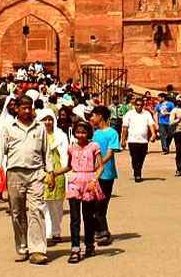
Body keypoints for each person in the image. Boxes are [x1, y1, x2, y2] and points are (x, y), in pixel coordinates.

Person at [0, 97, 49, 265]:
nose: (27, 111)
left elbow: (46, 151)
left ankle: (37, 250)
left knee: (36, 210)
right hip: (15, 173)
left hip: (36, 173)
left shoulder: (40, 127)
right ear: (16, 109)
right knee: (17, 212)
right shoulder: (8, 127)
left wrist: (51, 172)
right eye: (24, 108)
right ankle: (23, 247)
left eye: (29, 108)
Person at [52, 120, 102, 263]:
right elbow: (69, 166)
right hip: (74, 182)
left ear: (88, 133)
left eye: (83, 132)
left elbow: (100, 167)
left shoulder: (94, 146)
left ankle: (89, 245)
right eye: (78, 132)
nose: (80, 135)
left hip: (89, 182)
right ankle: (75, 248)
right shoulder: (71, 148)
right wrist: (54, 173)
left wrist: (94, 180)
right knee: (74, 218)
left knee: (88, 216)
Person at [89, 106, 121, 246]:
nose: (91, 118)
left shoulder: (112, 133)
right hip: (93, 174)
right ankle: (99, 231)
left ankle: (104, 233)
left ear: (100, 116)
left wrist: (99, 164)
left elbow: (110, 153)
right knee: (93, 205)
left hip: (107, 174)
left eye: (93, 115)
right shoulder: (95, 133)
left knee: (101, 205)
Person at [39, 109, 69, 245]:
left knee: (57, 205)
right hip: (42, 171)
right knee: (44, 204)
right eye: (44, 119)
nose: (47, 122)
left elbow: (65, 155)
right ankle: (48, 233)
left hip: (58, 171)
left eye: (50, 119)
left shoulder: (60, 135)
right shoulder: (36, 135)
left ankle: (56, 231)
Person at [120, 97, 156, 182]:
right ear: (134, 105)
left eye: (141, 105)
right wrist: (123, 140)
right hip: (132, 140)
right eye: (137, 105)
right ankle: (137, 174)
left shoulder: (146, 114)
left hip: (144, 141)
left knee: (141, 158)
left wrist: (153, 134)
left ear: (143, 106)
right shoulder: (129, 114)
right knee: (135, 158)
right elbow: (125, 127)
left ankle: (137, 170)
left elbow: (151, 124)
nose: (139, 107)